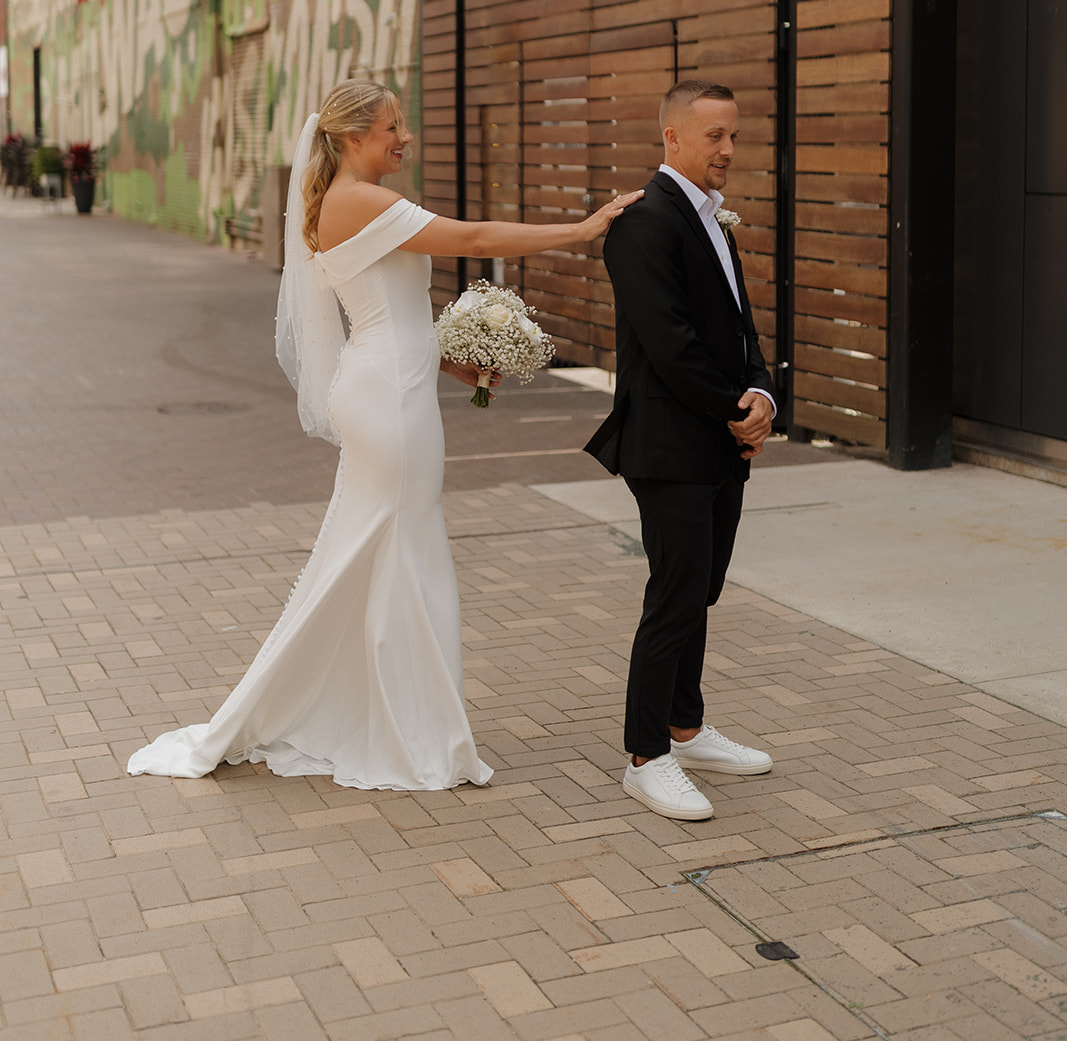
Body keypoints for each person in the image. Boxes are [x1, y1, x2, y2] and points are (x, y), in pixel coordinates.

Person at [128, 79, 641, 792]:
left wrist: (452, 356)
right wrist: (580, 231)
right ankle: (413, 731)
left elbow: (393, 308)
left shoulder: (349, 201)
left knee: (377, 549)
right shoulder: (359, 199)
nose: (405, 137)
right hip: (386, 398)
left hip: (389, 384)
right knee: (403, 548)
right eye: (391, 127)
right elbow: (471, 239)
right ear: (350, 137)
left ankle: (392, 717)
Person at [585, 80, 777, 821]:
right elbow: (669, 344)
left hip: (721, 437)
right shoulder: (643, 223)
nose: (727, 149)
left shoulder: (713, 222)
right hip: (667, 442)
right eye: (713, 137)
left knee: (700, 589)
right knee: (672, 596)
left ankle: (686, 728)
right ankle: (645, 756)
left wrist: (761, 395)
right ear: (671, 138)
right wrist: (735, 413)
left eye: (733, 135)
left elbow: (739, 331)